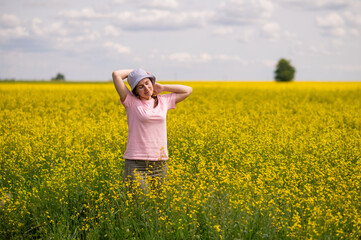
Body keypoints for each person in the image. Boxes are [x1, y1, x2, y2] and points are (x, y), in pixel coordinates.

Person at [112, 68, 192, 191]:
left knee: (159, 205)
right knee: (140, 203)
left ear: (152, 83)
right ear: (135, 91)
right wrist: (136, 71)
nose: (146, 88)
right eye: (140, 86)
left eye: (147, 83)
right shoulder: (131, 102)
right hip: (136, 163)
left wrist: (164, 87)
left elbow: (188, 90)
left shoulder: (163, 101)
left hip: (160, 163)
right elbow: (116, 75)